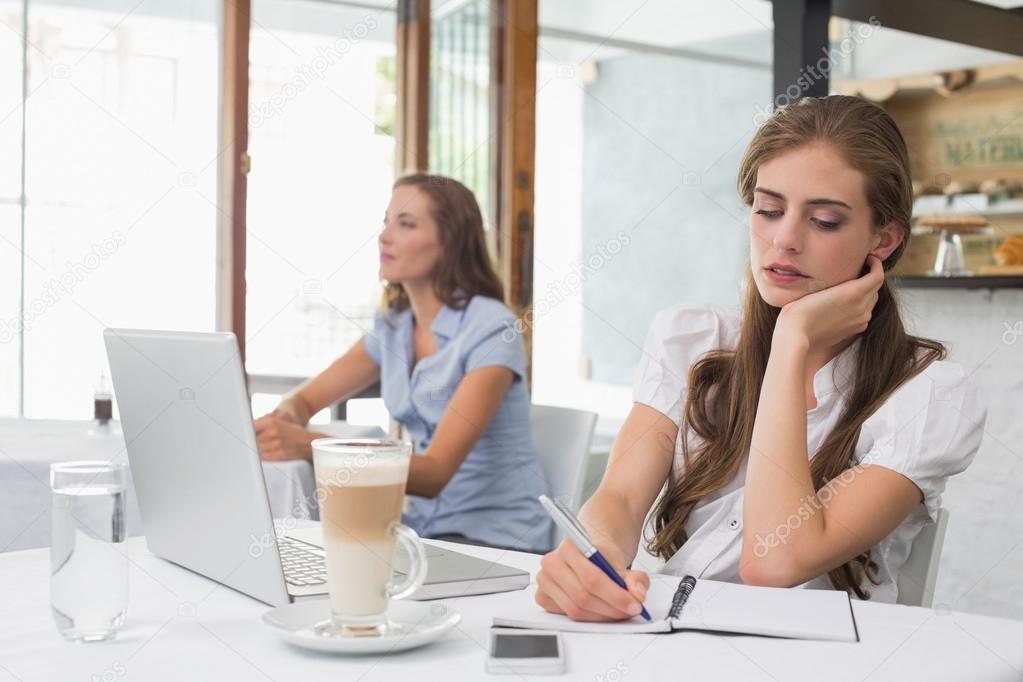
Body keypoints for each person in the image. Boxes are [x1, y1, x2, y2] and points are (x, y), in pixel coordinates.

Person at [535, 95, 987, 620]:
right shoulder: (691, 338)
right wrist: (595, 558)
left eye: (824, 221)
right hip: (671, 638)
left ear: (883, 239)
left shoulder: (931, 395)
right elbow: (619, 498)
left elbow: (774, 563)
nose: (784, 240)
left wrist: (792, 341)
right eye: (768, 210)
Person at [255, 173, 553, 553]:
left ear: (450, 243)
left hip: (495, 540)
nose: (384, 236)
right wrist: (285, 419)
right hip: (423, 529)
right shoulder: (395, 326)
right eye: (386, 221)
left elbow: (436, 474)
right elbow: (306, 399)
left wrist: (308, 445)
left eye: (406, 224)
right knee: (312, 557)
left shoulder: (492, 329)